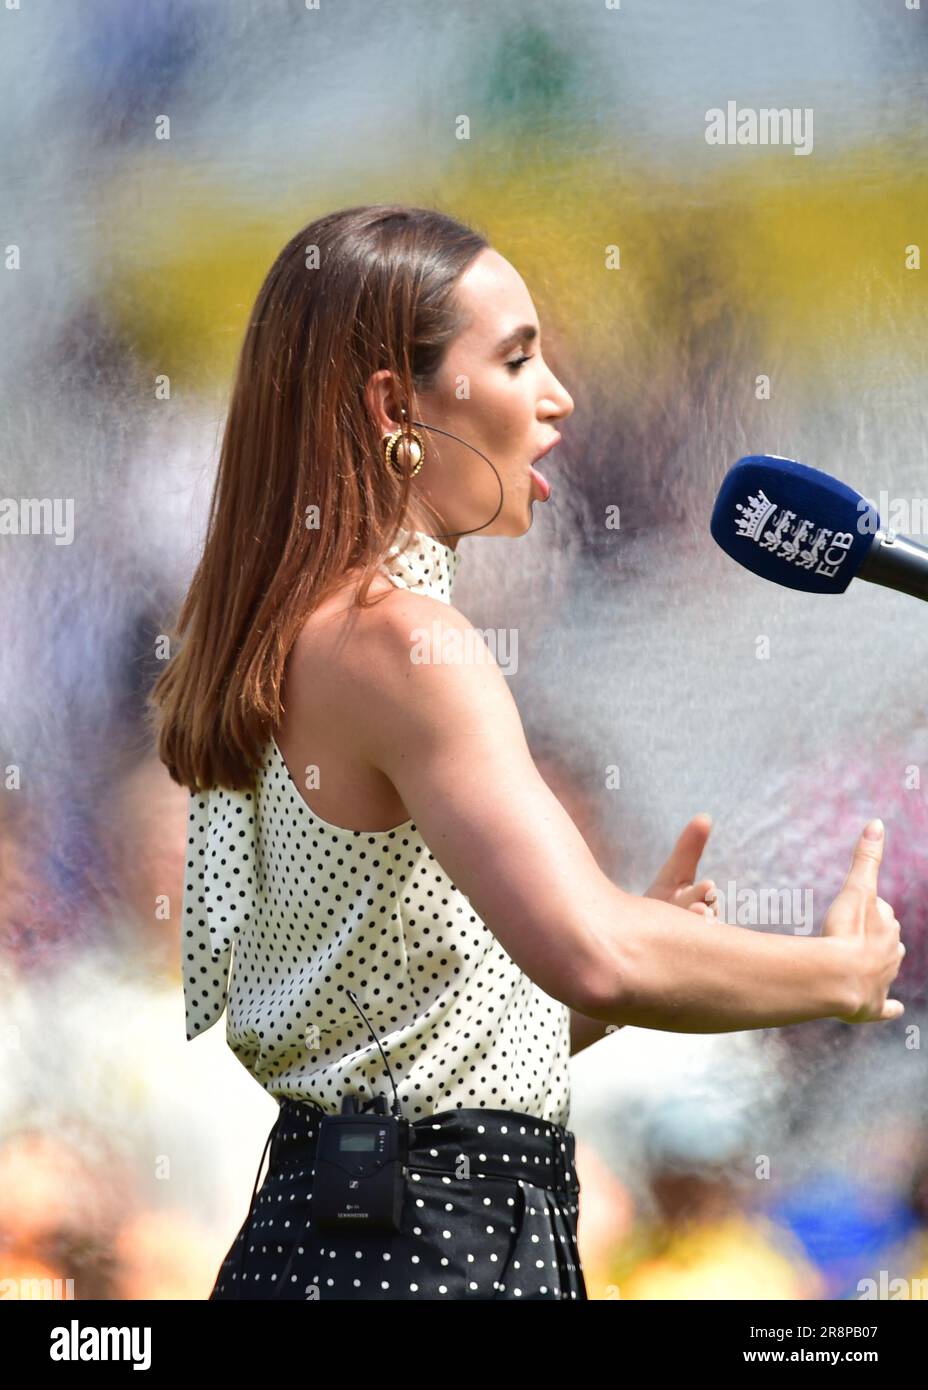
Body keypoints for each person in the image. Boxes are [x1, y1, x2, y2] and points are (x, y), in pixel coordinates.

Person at [147, 204, 905, 1301]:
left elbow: (421, 1048)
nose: (558, 399)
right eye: (515, 360)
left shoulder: (307, 632)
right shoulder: (408, 642)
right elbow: (592, 953)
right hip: (429, 1252)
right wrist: (837, 971)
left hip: (336, 1237)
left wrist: (626, 975)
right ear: (394, 404)